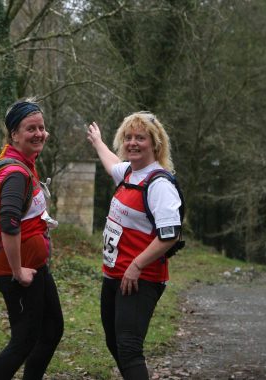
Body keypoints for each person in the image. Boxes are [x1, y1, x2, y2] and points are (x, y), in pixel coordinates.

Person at [86, 111, 182, 380]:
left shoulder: (159, 183)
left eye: (140, 138)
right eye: (128, 137)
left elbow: (170, 234)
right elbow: (110, 163)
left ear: (156, 144)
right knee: (114, 342)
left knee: (128, 348)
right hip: (115, 275)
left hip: (141, 278)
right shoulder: (129, 173)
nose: (133, 143)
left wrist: (136, 265)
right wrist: (97, 141)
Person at [0, 98, 63, 380]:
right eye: (31, 128)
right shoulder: (16, 173)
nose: (39, 133)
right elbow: (8, 224)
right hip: (17, 273)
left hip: (36, 267)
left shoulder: (25, 163)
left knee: (52, 329)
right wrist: (19, 271)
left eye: (42, 127)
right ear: (14, 135)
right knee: (23, 341)